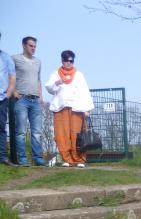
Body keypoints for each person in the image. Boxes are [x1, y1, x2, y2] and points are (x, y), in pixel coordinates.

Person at [45, 50, 93, 168]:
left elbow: (85, 91)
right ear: (62, 60)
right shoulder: (55, 74)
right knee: (62, 134)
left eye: (71, 60)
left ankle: (80, 159)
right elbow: (49, 88)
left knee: (77, 134)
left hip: (76, 108)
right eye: (66, 60)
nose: (68, 63)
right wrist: (58, 82)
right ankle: (66, 159)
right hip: (60, 108)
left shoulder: (79, 74)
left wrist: (87, 109)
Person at [12, 36, 45, 167]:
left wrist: (41, 96)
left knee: (37, 132)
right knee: (21, 132)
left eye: (35, 46)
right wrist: (14, 91)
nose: (33, 48)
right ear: (24, 46)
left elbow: (38, 80)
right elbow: (9, 76)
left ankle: (38, 158)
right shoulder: (15, 59)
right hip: (22, 100)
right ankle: (22, 159)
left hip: (35, 100)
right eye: (31, 46)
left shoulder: (38, 62)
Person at [0, 32, 16, 166]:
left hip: (1, 99)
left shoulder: (6, 57)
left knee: (1, 128)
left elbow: (12, 76)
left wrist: (8, 93)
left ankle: (3, 157)